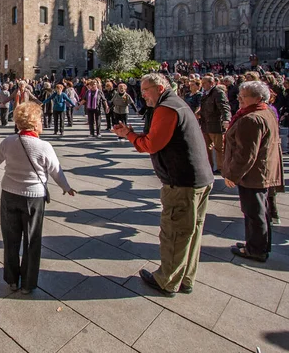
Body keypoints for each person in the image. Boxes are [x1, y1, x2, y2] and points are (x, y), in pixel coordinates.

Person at [113, 73, 214, 297]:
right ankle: (185, 278)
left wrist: (129, 135)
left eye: (145, 90)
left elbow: (151, 144)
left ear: (159, 88)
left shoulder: (167, 108)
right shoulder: (178, 103)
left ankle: (167, 281)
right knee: (191, 232)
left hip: (182, 183)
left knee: (175, 233)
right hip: (198, 180)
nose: (143, 95)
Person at [0, 103, 76, 294]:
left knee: (10, 239)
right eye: (40, 120)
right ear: (34, 124)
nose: (42, 123)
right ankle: (28, 283)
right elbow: (56, 171)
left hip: (9, 194)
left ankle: (11, 280)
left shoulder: (8, 142)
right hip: (34, 198)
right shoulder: (44, 146)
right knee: (32, 240)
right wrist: (66, 188)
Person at [222, 81, 284, 262]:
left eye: (244, 96)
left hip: (254, 174)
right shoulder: (266, 111)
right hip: (262, 171)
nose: (239, 99)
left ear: (257, 98)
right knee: (260, 210)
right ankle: (257, 244)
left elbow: (246, 154)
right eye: (239, 95)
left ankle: (256, 249)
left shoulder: (251, 118)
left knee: (254, 212)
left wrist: (232, 175)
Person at [198, 76, 231, 174]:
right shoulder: (205, 94)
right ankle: (209, 167)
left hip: (215, 125)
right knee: (207, 147)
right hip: (205, 125)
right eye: (202, 83)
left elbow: (224, 107)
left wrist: (226, 120)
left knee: (219, 148)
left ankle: (221, 168)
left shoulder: (218, 93)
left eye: (204, 83)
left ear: (211, 83)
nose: (202, 85)